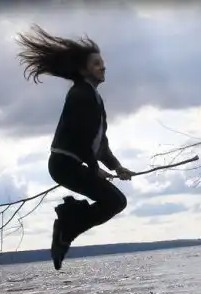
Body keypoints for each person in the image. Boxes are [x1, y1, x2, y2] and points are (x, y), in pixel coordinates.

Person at [16, 25, 134, 270]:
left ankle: (67, 222)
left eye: (103, 63)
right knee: (115, 201)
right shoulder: (80, 95)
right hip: (65, 164)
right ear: (83, 70)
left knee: (115, 201)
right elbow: (80, 139)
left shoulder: (94, 97)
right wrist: (94, 168)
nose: (103, 67)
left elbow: (100, 143)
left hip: (70, 165)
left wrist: (117, 166)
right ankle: (66, 225)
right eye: (96, 64)